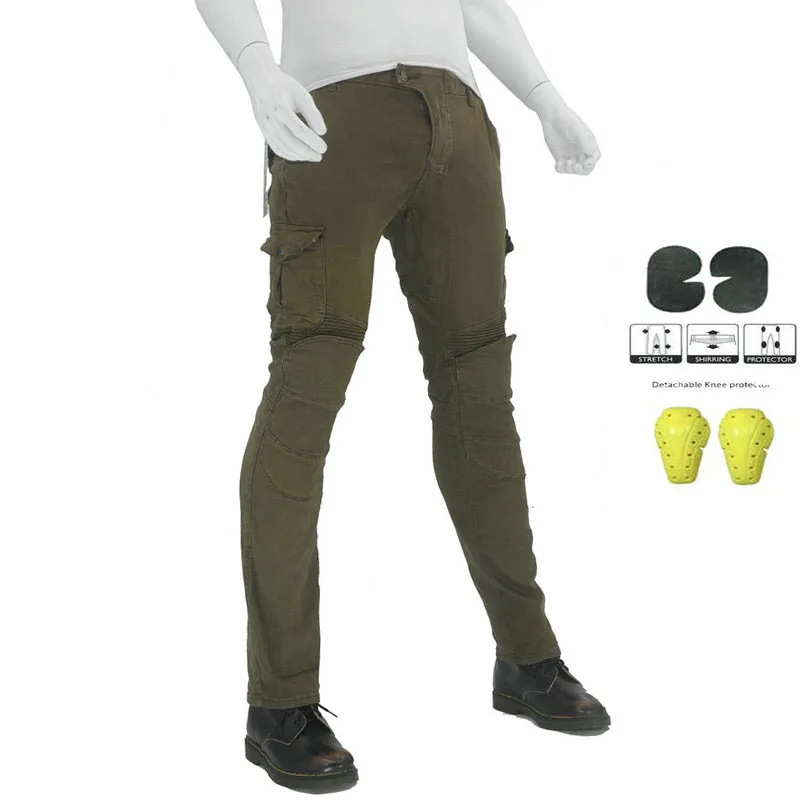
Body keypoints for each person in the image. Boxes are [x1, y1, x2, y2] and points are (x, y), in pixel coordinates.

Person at [195, 0, 609, 792]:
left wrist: (544, 95)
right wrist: (256, 67)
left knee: (481, 394)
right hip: (332, 115)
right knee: (307, 391)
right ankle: (279, 704)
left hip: (462, 121)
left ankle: (528, 659)